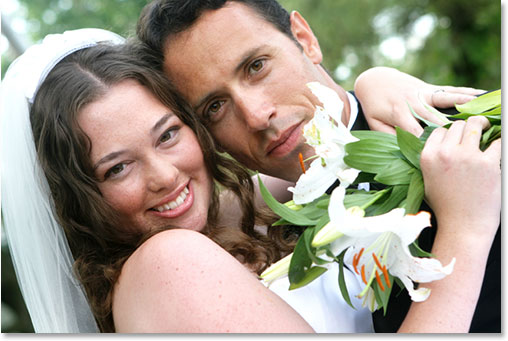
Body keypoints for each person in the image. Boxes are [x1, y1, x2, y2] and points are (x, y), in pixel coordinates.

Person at [0, 31, 499, 335]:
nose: (165, 176)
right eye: (117, 168)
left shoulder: (230, 215)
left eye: (168, 134)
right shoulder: (166, 263)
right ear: (80, 198)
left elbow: (331, 153)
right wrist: (467, 232)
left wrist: (373, 83)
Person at [135, 0, 501, 332]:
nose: (258, 115)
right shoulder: (249, 238)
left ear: (305, 38)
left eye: (256, 66)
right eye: (215, 107)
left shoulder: (471, 142)